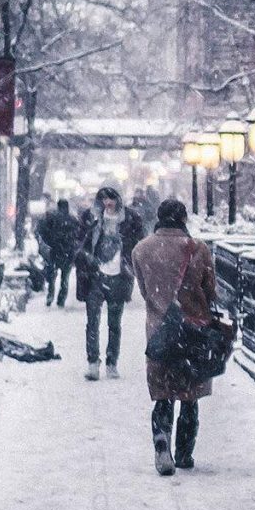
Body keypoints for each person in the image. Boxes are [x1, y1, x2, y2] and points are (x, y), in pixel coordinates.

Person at [132, 200, 216, 474]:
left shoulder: (142, 250)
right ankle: (183, 453)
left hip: (159, 333)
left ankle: (161, 438)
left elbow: (145, 291)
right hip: (193, 333)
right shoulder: (199, 250)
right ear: (183, 219)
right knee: (189, 396)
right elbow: (209, 290)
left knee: (163, 394)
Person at [76, 186, 140, 380]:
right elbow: (79, 244)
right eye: (103, 199)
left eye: (110, 198)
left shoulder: (130, 220)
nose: (107, 203)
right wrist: (88, 259)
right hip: (95, 277)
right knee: (92, 322)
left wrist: (129, 264)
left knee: (114, 323)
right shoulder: (92, 219)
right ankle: (93, 363)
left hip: (119, 276)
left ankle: (112, 362)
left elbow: (138, 244)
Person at [36, 197, 77, 306]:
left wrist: (49, 242)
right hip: (68, 252)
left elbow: (42, 230)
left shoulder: (51, 218)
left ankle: (50, 295)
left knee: (52, 275)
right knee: (65, 277)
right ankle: (61, 299)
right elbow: (78, 235)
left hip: (55, 250)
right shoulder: (72, 219)